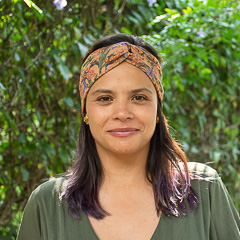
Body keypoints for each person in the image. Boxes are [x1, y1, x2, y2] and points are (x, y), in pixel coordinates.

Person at [17, 34, 240, 240]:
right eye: (105, 98)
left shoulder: (203, 189)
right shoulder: (47, 205)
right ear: (85, 112)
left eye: (139, 97)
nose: (122, 113)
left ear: (157, 111)